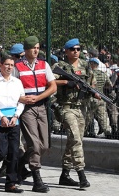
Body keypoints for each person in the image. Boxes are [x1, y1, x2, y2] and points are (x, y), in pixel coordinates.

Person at [13, 36, 57, 193]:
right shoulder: (17, 67)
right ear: (25, 50)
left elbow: (52, 87)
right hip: (26, 109)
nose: (36, 50)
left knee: (44, 145)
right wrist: (21, 98)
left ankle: (20, 163)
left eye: (38, 47)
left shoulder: (44, 65)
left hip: (41, 106)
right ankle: (37, 179)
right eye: (33, 47)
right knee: (35, 144)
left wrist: (39, 97)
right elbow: (11, 89)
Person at [52, 38, 91, 188]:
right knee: (75, 138)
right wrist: (66, 83)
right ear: (66, 51)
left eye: (78, 49)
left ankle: (65, 174)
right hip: (66, 107)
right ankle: (81, 174)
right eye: (73, 49)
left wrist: (92, 92)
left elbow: (90, 83)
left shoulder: (84, 66)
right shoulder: (60, 66)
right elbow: (49, 82)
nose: (76, 51)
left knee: (74, 140)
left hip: (80, 107)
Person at [0, 55, 25, 193]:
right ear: (0, 65)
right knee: (1, 151)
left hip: (14, 120)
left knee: (14, 152)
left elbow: (21, 101)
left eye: (11, 65)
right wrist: (1, 116)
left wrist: (16, 116)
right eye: (6, 64)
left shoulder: (17, 82)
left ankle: (11, 183)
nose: (9, 67)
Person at [86, 58, 113, 138]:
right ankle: (108, 132)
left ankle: (86, 131)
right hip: (101, 98)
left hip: (91, 98)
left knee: (88, 116)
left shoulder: (89, 74)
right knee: (103, 116)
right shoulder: (103, 74)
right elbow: (110, 85)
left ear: (92, 64)